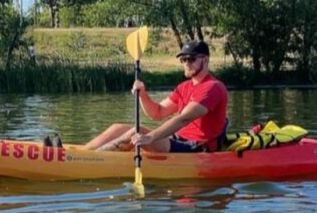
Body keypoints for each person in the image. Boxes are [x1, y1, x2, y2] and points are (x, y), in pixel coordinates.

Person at [84, 40, 228, 153]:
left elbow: (183, 118)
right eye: (183, 60)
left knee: (137, 131)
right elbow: (158, 112)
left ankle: (92, 159)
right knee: (117, 128)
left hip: (197, 147)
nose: (186, 63)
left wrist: (150, 137)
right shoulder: (184, 87)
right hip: (177, 140)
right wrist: (143, 95)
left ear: (206, 60)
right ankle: (83, 152)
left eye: (191, 59)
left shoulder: (213, 87)